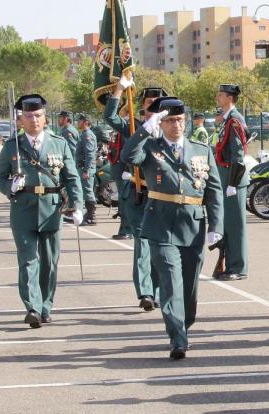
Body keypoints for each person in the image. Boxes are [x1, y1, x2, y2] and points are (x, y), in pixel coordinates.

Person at [121, 97, 223, 359]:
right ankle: (177, 338)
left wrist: (216, 224)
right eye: (169, 121)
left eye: (180, 120)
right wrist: (145, 128)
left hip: (192, 225)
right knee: (170, 282)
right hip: (161, 225)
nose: (176, 125)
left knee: (189, 287)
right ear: (161, 123)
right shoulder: (150, 148)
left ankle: (184, 325)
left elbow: (214, 190)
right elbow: (128, 156)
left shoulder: (201, 149)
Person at [0, 94, 84, 328]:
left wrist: (78, 205)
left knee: (50, 262)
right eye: (29, 116)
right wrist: (9, 187)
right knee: (28, 260)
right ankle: (32, 307)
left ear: (46, 119)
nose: (34, 120)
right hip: (23, 208)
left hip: (52, 208)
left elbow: (72, 178)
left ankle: (46, 306)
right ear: (21, 120)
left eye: (38, 116)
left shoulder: (59, 143)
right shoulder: (13, 145)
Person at [103, 81, 164, 310]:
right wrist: (119, 89)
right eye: (150, 103)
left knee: (161, 244)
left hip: (162, 195)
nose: (155, 107)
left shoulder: (170, 129)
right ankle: (146, 292)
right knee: (143, 243)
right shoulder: (132, 126)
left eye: (158, 104)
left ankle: (158, 290)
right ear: (143, 108)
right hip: (138, 193)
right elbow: (110, 116)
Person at [213, 84, 249, 280]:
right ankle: (229, 264)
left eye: (220, 95)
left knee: (235, 226)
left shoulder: (234, 120)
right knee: (227, 224)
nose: (217, 98)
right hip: (225, 177)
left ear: (229, 98)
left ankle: (238, 267)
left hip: (232, 179)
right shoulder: (227, 120)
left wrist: (232, 183)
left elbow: (238, 155)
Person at [75, 113, 98, 226]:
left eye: (79, 121)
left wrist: (86, 170)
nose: (77, 123)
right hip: (83, 167)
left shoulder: (87, 135)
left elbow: (89, 154)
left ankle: (92, 216)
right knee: (86, 191)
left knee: (88, 191)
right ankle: (89, 214)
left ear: (85, 122)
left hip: (86, 168)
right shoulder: (84, 134)